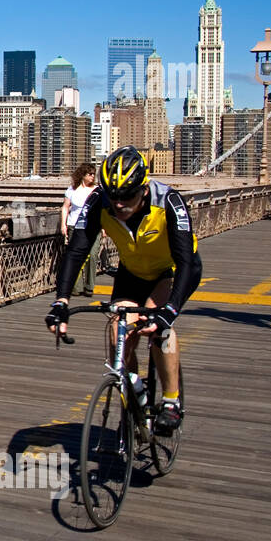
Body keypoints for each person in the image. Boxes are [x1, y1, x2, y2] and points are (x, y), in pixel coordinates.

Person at [45, 147, 202, 434]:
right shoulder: (98, 201)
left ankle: (170, 401)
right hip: (133, 271)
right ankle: (135, 390)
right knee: (118, 331)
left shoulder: (168, 201)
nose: (118, 205)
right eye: (113, 197)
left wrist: (168, 312)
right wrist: (61, 301)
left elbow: (186, 262)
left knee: (158, 329)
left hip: (174, 270)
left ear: (143, 188)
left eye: (127, 197)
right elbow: (76, 251)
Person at [61, 162, 98, 295]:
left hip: (93, 227)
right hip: (74, 225)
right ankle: (76, 288)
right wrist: (63, 225)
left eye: (94, 174)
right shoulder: (72, 190)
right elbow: (65, 206)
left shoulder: (97, 190)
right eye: (90, 174)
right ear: (83, 175)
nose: (93, 177)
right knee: (75, 256)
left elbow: (103, 211)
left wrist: (104, 228)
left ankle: (89, 286)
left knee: (92, 255)